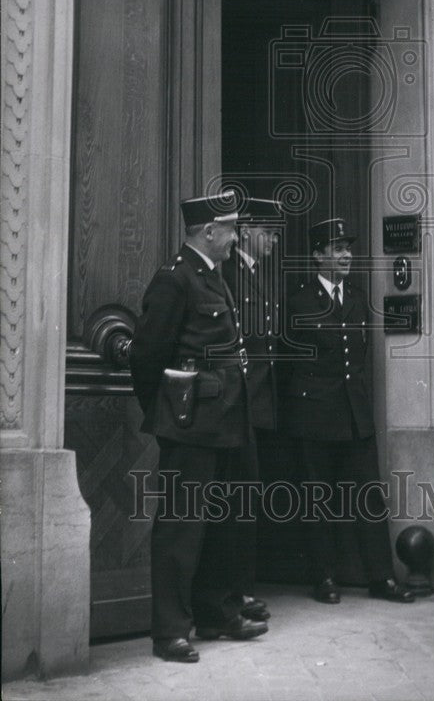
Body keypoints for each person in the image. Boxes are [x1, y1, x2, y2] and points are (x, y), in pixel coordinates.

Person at [130, 191, 268, 663]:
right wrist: (171, 411)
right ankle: (169, 631)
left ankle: (215, 612)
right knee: (181, 527)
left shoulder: (212, 275)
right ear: (209, 232)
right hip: (191, 424)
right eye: (230, 229)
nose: (235, 237)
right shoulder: (174, 280)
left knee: (226, 522)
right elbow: (146, 358)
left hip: (229, 418)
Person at [282, 217, 414, 605]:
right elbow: (288, 365)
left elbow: (358, 359)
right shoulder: (299, 301)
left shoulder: (357, 298)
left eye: (348, 249)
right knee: (317, 499)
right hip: (314, 416)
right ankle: (323, 576)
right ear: (318, 255)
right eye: (337, 249)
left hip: (355, 416)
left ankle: (381, 577)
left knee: (369, 499)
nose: (346, 255)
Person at [221, 197, 282, 622]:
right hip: (237, 405)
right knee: (236, 500)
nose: (274, 241)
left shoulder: (255, 273)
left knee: (247, 498)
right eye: (269, 233)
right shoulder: (229, 272)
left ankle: (241, 589)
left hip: (257, 405)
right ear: (247, 231)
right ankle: (234, 591)